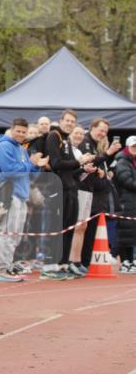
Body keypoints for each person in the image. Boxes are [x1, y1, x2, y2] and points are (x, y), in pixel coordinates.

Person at [0, 118, 48, 282]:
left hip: (21, 195)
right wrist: (30, 164)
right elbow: (10, 171)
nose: (21, 134)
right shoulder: (4, 146)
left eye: (24, 132)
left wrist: (37, 165)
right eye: (19, 131)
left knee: (16, 235)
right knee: (8, 233)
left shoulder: (22, 149)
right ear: (12, 129)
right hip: (9, 195)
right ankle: (3, 269)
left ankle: (10, 265)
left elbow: (30, 174)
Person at [42, 109, 95, 279]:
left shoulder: (66, 140)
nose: (70, 124)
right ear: (61, 120)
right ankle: (49, 267)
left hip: (71, 188)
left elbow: (70, 168)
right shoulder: (54, 136)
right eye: (68, 120)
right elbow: (56, 163)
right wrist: (78, 161)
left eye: (73, 121)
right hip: (57, 189)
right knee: (57, 228)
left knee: (69, 228)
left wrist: (82, 167)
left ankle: (62, 264)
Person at [73, 120, 122, 275]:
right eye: (100, 130)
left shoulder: (93, 144)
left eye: (105, 132)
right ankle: (77, 261)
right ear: (92, 128)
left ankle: (82, 262)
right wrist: (106, 155)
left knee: (87, 229)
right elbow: (89, 164)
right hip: (84, 192)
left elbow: (96, 164)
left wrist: (102, 171)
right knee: (82, 229)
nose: (102, 134)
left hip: (92, 192)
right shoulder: (86, 143)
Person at [113, 136, 136, 273]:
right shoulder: (122, 160)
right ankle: (125, 262)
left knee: (132, 232)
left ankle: (131, 261)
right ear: (127, 147)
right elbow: (125, 180)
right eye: (133, 146)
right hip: (124, 201)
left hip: (132, 201)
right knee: (124, 232)